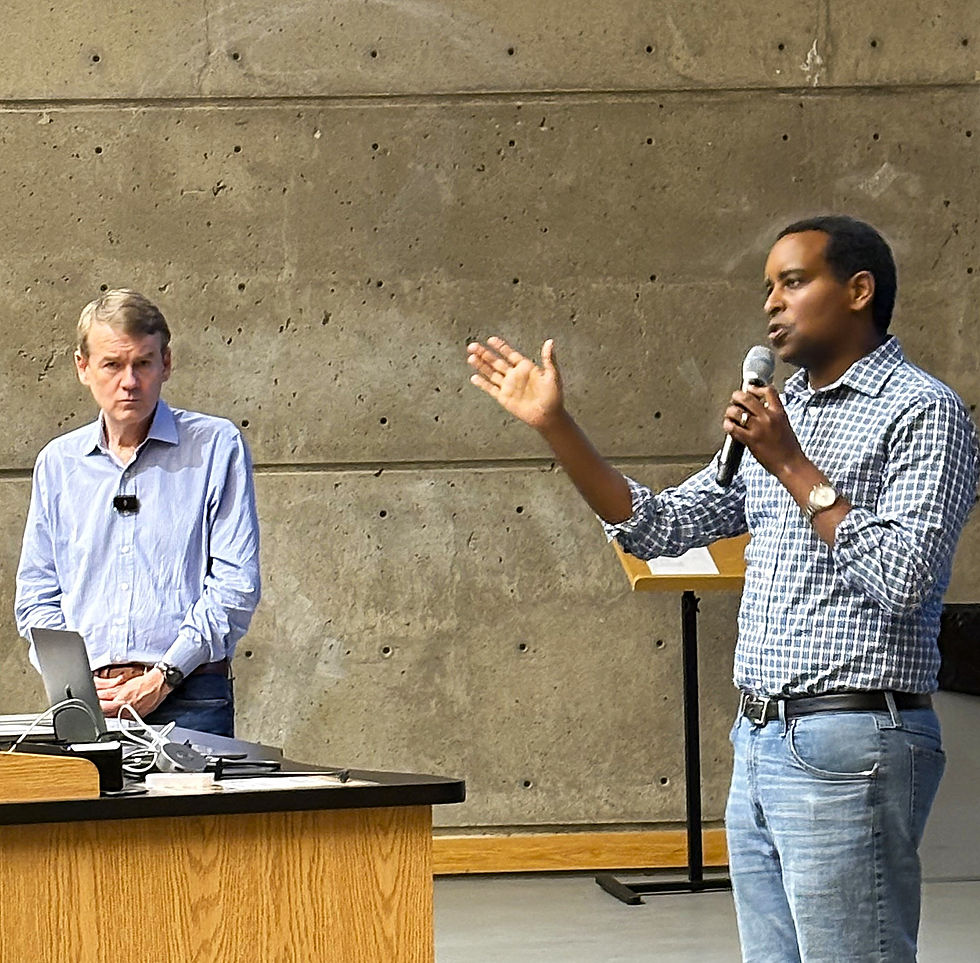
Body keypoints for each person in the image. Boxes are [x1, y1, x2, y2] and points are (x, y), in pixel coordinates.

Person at [466, 215, 979, 962]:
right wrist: (557, 427)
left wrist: (792, 465)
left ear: (860, 290)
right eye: (767, 286)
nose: (772, 303)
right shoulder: (782, 410)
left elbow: (905, 577)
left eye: (794, 282)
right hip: (762, 739)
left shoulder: (924, 411)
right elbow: (661, 525)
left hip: (855, 739)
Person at [15, 290, 261, 737]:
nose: (129, 381)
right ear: (82, 367)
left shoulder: (214, 447)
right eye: (112, 364)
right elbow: (36, 594)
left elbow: (235, 585)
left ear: (166, 364)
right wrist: (76, 682)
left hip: (191, 695)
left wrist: (164, 675)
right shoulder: (58, 464)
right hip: (88, 702)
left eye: (143, 363)